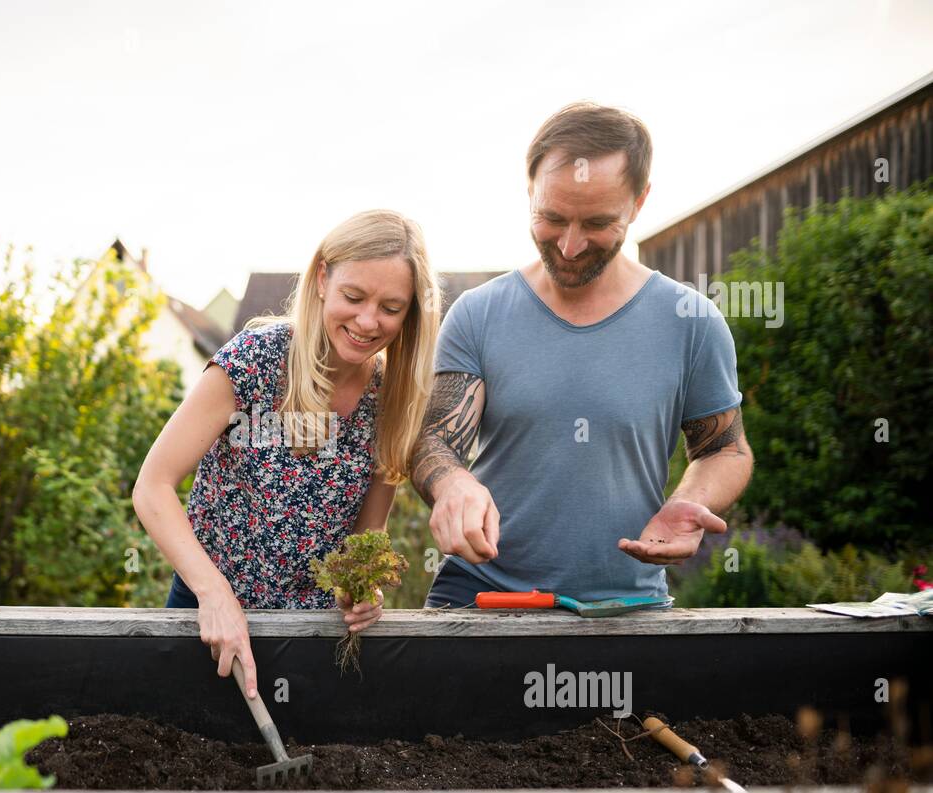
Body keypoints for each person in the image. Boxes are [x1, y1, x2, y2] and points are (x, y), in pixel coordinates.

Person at [411, 102, 754, 608]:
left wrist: (688, 502)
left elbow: (725, 450)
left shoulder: (691, 320)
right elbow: (434, 441)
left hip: (625, 608)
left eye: (596, 222)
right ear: (530, 191)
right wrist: (451, 481)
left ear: (638, 203)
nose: (570, 246)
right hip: (481, 601)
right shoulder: (477, 315)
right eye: (551, 218)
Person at [134, 209, 442, 697]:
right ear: (323, 277)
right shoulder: (254, 361)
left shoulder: (390, 399)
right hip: (208, 617)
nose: (367, 321)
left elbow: (366, 532)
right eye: (354, 296)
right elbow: (152, 487)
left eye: (390, 307)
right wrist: (214, 596)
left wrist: (359, 588)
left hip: (312, 634)